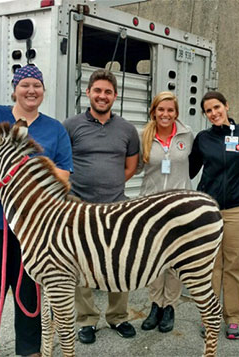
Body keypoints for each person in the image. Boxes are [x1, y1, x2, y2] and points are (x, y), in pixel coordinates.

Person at [0, 64, 74, 356]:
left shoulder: (54, 129)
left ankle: (30, 349)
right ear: (15, 89)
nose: (31, 91)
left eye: (37, 86)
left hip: (34, 228)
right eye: (25, 85)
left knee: (30, 290)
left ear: (44, 91)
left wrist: (19, 171)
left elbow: (64, 174)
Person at [62, 69, 139, 344]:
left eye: (108, 92)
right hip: (78, 207)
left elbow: (131, 166)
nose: (102, 96)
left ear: (115, 96)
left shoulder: (127, 130)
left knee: (120, 263)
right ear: (88, 93)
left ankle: (118, 316)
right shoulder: (70, 126)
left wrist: (111, 183)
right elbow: (61, 164)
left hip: (116, 209)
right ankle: (86, 320)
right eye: (98, 91)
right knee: (81, 264)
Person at [189, 91, 239, 339]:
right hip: (209, 210)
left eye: (217, 107)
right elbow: (190, 167)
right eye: (208, 110)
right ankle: (210, 318)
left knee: (233, 266)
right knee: (211, 267)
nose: (214, 113)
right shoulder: (203, 138)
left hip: (238, 208)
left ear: (226, 106)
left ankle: (234, 319)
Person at [137, 91, 193, 333]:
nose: (165, 114)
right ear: (154, 111)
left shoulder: (187, 135)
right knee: (153, 259)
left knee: (174, 260)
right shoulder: (143, 136)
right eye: (161, 109)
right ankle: (155, 304)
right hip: (152, 207)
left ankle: (169, 305)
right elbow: (134, 166)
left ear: (176, 113)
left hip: (179, 207)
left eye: (170, 110)